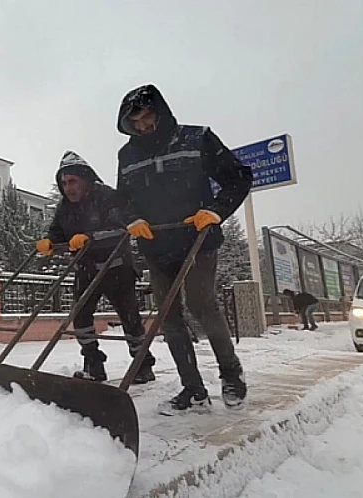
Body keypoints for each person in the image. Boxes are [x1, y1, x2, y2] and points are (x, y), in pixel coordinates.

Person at [114, 84, 253, 414]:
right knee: (169, 317)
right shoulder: (127, 155)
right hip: (156, 244)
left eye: (149, 118)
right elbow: (121, 199)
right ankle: (193, 390)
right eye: (137, 122)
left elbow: (238, 177)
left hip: (198, 239)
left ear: (161, 113)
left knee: (202, 305)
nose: (145, 126)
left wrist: (216, 211)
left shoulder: (197, 138)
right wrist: (131, 219)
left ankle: (231, 375)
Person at [36, 150, 157, 384]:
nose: (68, 187)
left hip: (117, 267)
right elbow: (57, 230)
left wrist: (90, 237)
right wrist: (49, 241)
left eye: (72, 181)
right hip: (86, 268)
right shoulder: (65, 207)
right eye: (64, 183)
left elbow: (121, 228)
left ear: (85, 179)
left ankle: (143, 365)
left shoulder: (107, 197)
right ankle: (93, 364)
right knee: (80, 317)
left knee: (130, 319)